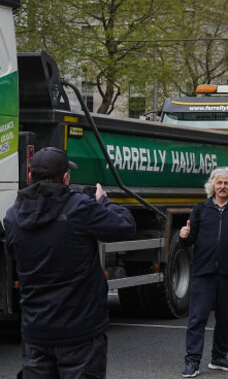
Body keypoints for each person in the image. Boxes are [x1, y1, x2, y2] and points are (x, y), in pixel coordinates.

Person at [2, 147, 136, 379]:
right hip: (80, 333)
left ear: (31, 176)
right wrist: (103, 201)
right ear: (66, 178)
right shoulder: (80, 208)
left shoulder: (12, 216)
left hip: (36, 332)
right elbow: (125, 225)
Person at [180, 167, 228, 378]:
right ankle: (193, 362)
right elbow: (188, 239)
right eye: (219, 183)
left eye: (227, 183)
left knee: (225, 318)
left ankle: (219, 358)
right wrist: (183, 235)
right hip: (203, 274)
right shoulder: (200, 209)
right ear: (212, 186)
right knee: (197, 318)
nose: (223, 187)